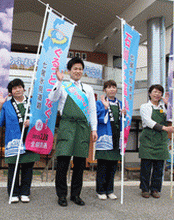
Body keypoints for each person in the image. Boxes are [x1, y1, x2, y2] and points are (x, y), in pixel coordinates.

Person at [49, 57, 98, 207]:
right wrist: (58, 81)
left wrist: (94, 129)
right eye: (75, 68)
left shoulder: (88, 89)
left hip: (83, 128)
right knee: (63, 162)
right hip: (67, 126)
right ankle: (62, 195)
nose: (78, 71)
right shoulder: (63, 85)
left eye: (80, 69)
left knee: (79, 164)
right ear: (69, 70)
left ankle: (76, 194)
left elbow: (92, 110)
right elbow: (52, 98)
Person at [0, 78, 40, 203]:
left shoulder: (33, 103)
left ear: (24, 88)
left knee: (28, 167)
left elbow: (42, 119)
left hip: (30, 139)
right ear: (11, 91)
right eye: (14, 88)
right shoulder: (6, 105)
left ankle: (25, 192)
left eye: (19, 87)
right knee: (13, 168)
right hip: (13, 141)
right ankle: (13, 192)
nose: (17, 90)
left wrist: (32, 122)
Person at [139, 84, 174, 199]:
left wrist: (167, 104)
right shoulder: (145, 106)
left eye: (159, 92)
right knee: (146, 167)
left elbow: (172, 118)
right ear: (150, 93)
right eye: (154, 92)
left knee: (159, 167)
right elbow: (148, 121)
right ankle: (145, 189)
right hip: (148, 139)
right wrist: (165, 128)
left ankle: (155, 189)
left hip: (161, 140)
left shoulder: (164, 107)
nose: (157, 94)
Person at [95, 80, 125, 200]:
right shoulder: (99, 103)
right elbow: (98, 118)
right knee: (102, 166)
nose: (112, 89)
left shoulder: (121, 104)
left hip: (117, 138)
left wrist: (124, 115)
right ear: (104, 90)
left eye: (114, 87)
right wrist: (105, 108)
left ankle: (110, 190)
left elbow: (126, 121)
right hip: (105, 137)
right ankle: (100, 190)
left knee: (113, 166)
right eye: (109, 87)